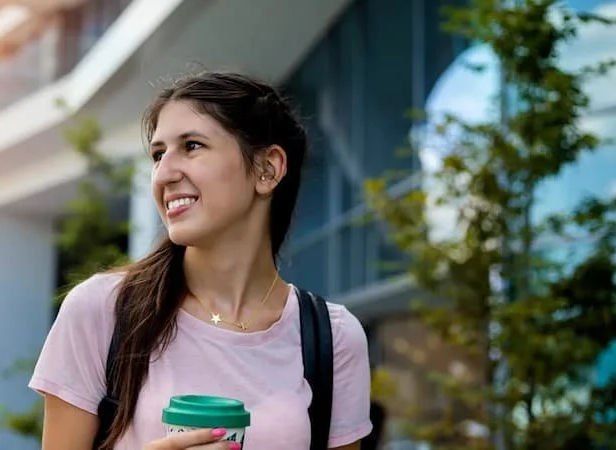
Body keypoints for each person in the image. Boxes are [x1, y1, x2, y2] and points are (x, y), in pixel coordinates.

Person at [29, 72, 373, 449]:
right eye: (159, 154)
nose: (164, 173)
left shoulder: (333, 337)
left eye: (192, 146)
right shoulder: (103, 309)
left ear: (268, 169)